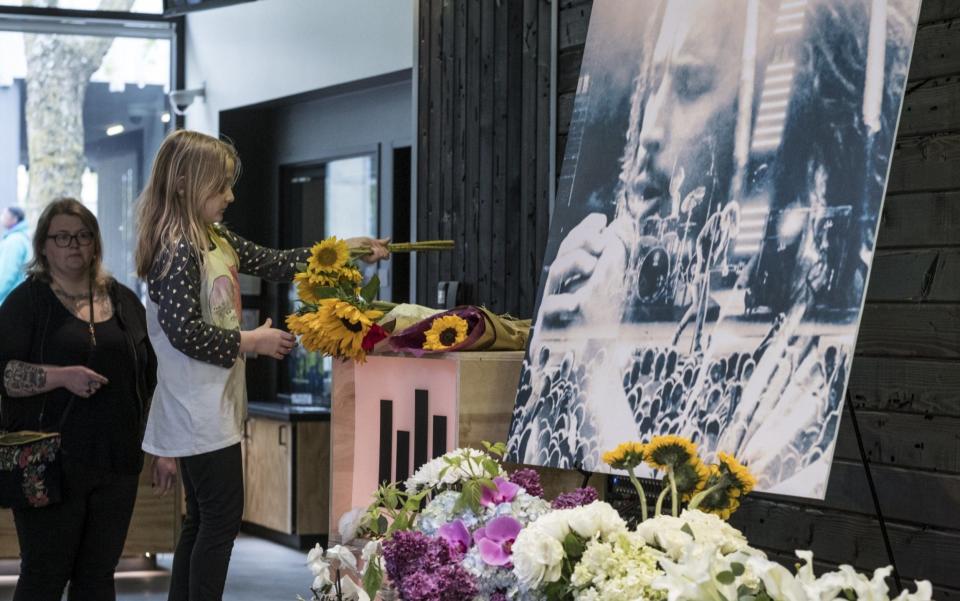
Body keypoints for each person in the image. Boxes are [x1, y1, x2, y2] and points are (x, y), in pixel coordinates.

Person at [135, 129, 388, 601]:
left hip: (212, 406)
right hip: (196, 410)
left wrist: (343, 252)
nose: (230, 196)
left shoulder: (212, 237)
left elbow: (275, 261)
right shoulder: (176, 248)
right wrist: (252, 340)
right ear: (186, 182)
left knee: (205, 520)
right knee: (220, 519)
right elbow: (185, 333)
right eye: (221, 186)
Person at [538, 0, 745, 331]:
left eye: (690, 82)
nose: (650, 130)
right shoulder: (600, 258)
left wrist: (593, 363)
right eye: (649, 87)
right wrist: (550, 353)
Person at [0, 198, 157, 601]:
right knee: (44, 576)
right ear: (44, 246)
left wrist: (160, 446)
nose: (74, 245)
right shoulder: (26, 302)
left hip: (117, 461)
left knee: (99, 576)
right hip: (49, 463)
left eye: (84, 235)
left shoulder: (123, 300)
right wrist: (61, 377)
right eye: (63, 237)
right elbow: (4, 375)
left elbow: (149, 374)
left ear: (96, 243)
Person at [0, 206, 31, 305]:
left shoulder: (14, 241)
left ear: (14, 219)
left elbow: (7, 276)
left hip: (9, 301)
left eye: (4, 214)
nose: (1, 218)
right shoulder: (22, 238)